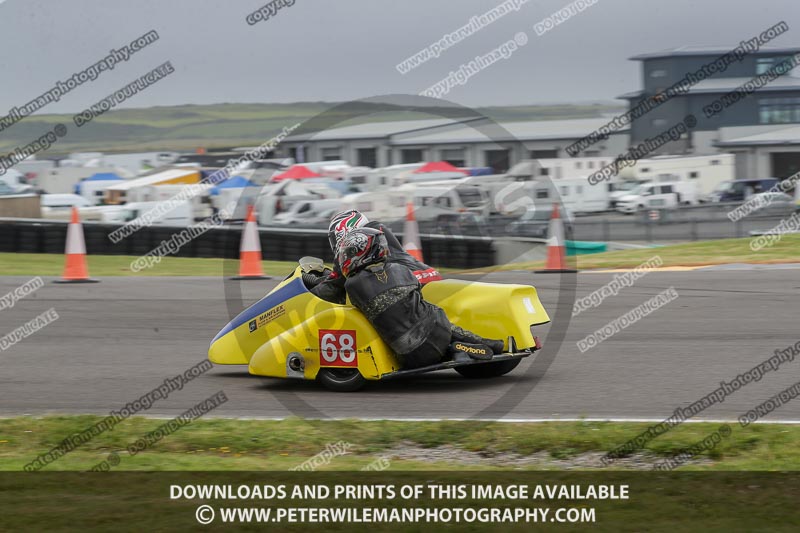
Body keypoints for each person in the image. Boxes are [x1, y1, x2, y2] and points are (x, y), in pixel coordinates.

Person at [335, 227, 505, 369]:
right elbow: (418, 295)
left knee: (411, 326)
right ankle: (486, 344)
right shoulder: (400, 269)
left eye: (349, 253)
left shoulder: (352, 285)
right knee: (431, 316)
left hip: (408, 356)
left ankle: (455, 349)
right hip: (438, 331)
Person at [308, 209, 441, 304]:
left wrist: (307, 297)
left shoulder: (355, 246)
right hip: (429, 276)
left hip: (411, 286)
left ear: (342, 231)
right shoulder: (378, 234)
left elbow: (333, 286)